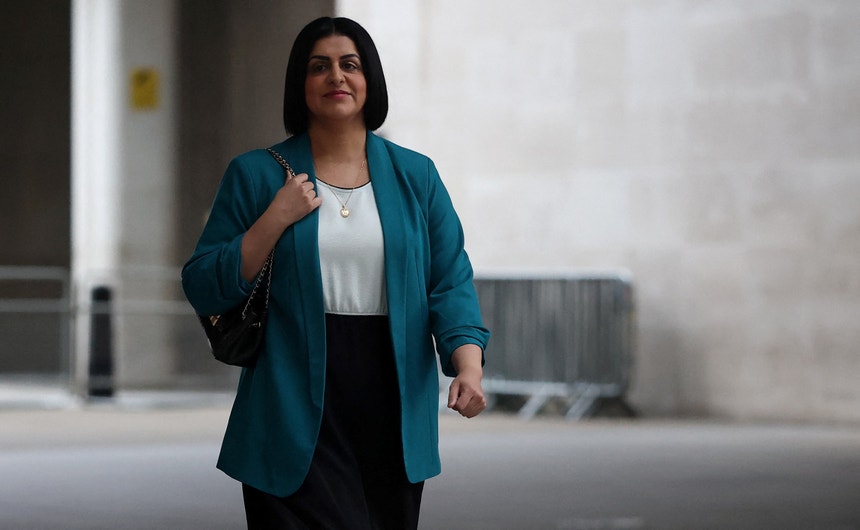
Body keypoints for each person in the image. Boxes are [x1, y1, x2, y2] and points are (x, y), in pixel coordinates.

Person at [181, 15, 490, 530]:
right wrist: (275, 218)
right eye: (318, 66)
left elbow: (450, 281)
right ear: (300, 84)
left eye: (350, 64)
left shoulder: (416, 176)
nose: (336, 77)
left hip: (392, 407)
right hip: (289, 403)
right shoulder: (255, 174)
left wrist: (469, 367)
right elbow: (202, 284)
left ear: (370, 80)